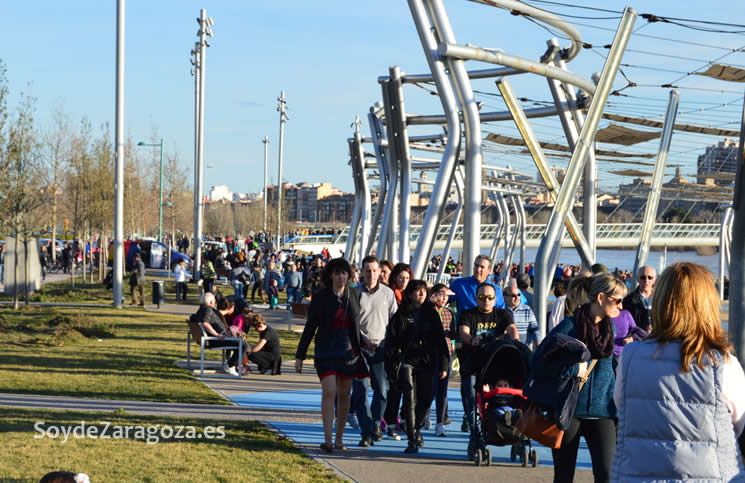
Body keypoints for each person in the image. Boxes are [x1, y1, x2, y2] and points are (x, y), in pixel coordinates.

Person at [612, 263, 745, 481]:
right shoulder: (724, 364)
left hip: (639, 474)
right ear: (707, 305)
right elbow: (737, 425)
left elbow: (622, 405)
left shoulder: (630, 357)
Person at [549, 273, 626, 483]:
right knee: (564, 476)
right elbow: (541, 362)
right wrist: (573, 370)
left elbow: (609, 367)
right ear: (601, 298)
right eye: (617, 300)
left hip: (603, 411)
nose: (621, 306)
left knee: (607, 475)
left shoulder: (610, 328)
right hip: (569, 410)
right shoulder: (568, 327)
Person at [295, 257, 368, 453]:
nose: (341, 276)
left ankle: (339, 439)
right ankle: (327, 439)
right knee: (329, 391)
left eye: (344, 273)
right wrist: (300, 355)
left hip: (349, 351)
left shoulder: (355, 295)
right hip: (326, 350)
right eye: (337, 273)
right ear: (330, 275)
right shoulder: (320, 296)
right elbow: (311, 327)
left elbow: (358, 323)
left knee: (345, 394)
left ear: (349, 275)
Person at [384, 279, 449, 454]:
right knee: (409, 398)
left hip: (427, 361)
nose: (421, 294)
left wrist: (444, 363)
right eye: (417, 291)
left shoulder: (431, 313)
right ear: (410, 294)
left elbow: (440, 340)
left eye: (424, 291)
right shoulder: (401, 315)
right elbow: (391, 341)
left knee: (427, 398)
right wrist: (391, 364)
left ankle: (414, 426)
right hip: (406, 361)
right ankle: (412, 439)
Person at [459, 282, 517, 457]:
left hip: (495, 365)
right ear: (476, 298)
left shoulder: (503, 314)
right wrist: (471, 339)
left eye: (490, 297)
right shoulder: (468, 314)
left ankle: (513, 431)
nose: (486, 300)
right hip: (473, 365)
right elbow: (463, 331)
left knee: (507, 397)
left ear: (495, 299)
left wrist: (515, 340)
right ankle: (475, 435)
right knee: (471, 400)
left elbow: (512, 328)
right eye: (482, 297)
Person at [449, 254, 505, 434]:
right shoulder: (460, 285)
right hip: (466, 343)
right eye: (476, 266)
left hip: (488, 346)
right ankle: (469, 415)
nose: (478, 269)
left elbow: (503, 317)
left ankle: (483, 416)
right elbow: (443, 299)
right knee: (468, 387)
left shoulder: (494, 290)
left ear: (489, 271)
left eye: (482, 267)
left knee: (486, 384)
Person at [351, 255, 398, 448]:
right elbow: (350, 323)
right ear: (361, 272)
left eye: (374, 270)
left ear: (380, 272)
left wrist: (387, 342)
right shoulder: (354, 293)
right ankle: (366, 431)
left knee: (382, 389)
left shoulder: (388, 294)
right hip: (360, 349)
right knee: (361, 390)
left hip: (381, 349)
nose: (371, 274)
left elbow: (394, 322)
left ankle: (376, 423)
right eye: (367, 270)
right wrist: (363, 340)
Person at [194, 293, 248, 376]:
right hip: (215, 340)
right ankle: (230, 365)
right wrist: (217, 335)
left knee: (240, 342)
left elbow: (193, 318)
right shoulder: (207, 310)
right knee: (243, 345)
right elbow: (205, 323)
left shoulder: (203, 309)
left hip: (216, 338)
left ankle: (233, 364)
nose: (215, 302)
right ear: (212, 301)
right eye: (214, 300)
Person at [429, 283, 456, 437]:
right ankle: (424, 415)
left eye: (446, 296)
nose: (444, 298)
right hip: (429, 354)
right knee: (428, 389)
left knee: (442, 390)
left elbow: (453, 334)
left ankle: (440, 422)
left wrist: (449, 333)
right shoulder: (427, 312)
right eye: (441, 295)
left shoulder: (449, 313)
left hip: (446, 353)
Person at [622, 265, 656, 331]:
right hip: (639, 339)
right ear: (637, 278)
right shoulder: (627, 301)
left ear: (654, 280)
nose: (646, 280)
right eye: (643, 277)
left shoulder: (663, 300)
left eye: (650, 277)